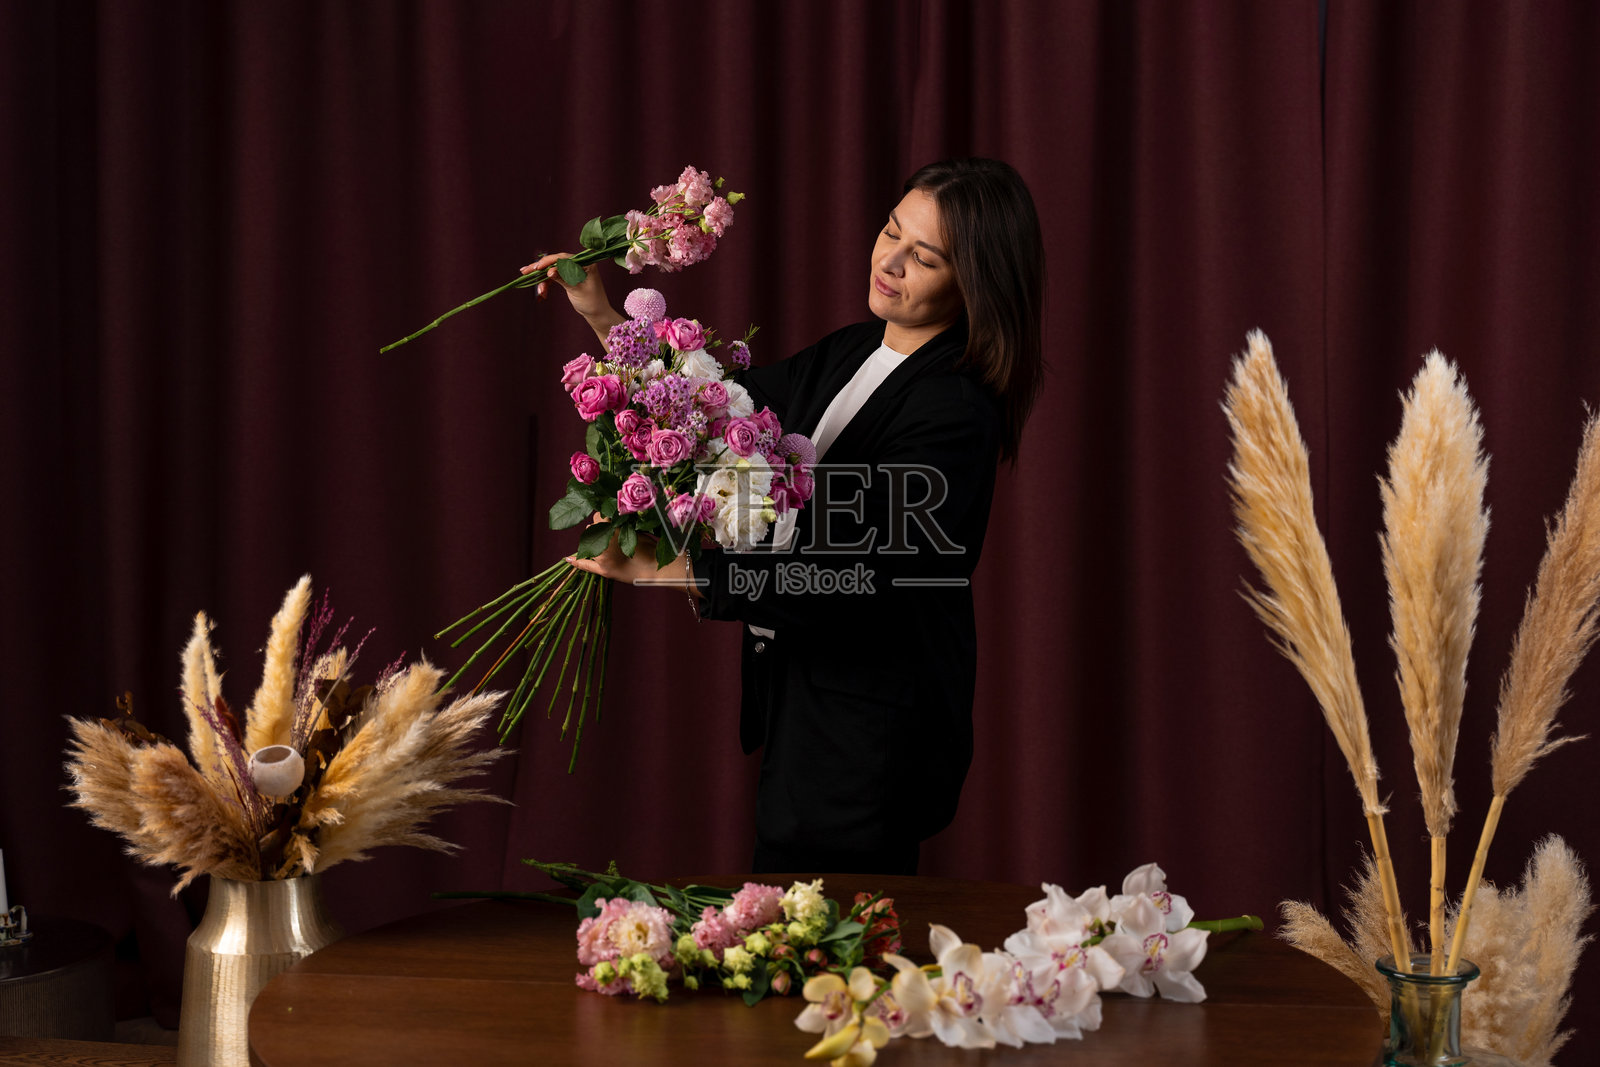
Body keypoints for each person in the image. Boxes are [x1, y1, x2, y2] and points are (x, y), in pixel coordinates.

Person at [526, 158, 1044, 875]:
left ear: (974, 282)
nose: (890, 261)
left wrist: (677, 571)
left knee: (819, 923)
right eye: (891, 230)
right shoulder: (855, 349)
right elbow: (715, 409)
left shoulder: (953, 409)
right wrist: (600, 313)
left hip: (870, 730)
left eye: (924, 257)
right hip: (811, 701)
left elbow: (860, 578)